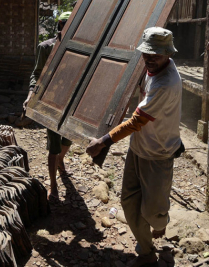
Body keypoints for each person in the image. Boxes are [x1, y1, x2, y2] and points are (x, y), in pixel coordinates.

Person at [86, 27, 183, 267]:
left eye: (156, 55)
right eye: (146, 54)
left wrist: (104, 141)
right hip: (138, 148)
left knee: (153, 213)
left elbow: (137, 121)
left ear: (168, 55)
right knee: (129, 203)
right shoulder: (150, 68)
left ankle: (160, 224)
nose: (149, 59)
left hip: (158, 154)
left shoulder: (166, 83)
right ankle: (147, 254)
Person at [23, 11, 72, 201]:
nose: (67, 26)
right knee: (54, 145)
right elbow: (37, 74)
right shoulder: (46, 47)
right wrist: (30, 96)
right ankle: (53, 184)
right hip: (51, 100)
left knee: (68, 140)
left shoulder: (81, 48)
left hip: (71, 101)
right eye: (65, 23)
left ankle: (60, 160)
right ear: (59, 25)